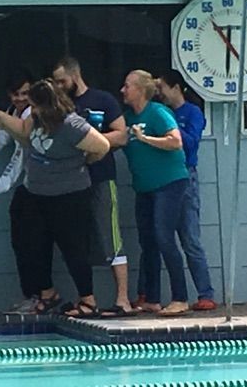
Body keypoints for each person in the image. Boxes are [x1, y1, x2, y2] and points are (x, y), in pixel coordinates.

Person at [0, 79, 111, 318]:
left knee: (74, 248)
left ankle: (88, 300)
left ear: (48, 105)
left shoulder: (71, 125)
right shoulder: (37, 119)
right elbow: (22, 133)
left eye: (35, 105)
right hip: (37, 193)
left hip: (69, 196)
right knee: (33, 245)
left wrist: (82, 163)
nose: (32, 110)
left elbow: (101, 146)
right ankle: (48, 294)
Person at [52, 57, 134, 317]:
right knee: (77, 241)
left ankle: (123, 300)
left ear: (75, 76)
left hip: (100, 178)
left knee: (111, 236)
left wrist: (91, 142)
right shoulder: (60, 108)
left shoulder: (102, 101)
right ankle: (87, 300)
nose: (59, 86)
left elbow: (121, 134)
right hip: (70, 184)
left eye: (62, 81)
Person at [0, 69, 53, 315]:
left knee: (34, 244)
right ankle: (33, 294)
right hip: (28, 187)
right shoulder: (15, 112)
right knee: (23, 243)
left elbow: (20, 158)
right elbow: (0, 142)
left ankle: (43, 294)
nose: (20, 98)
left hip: (40, 187)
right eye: (16, 94)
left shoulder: (32, 115)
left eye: (25, 94)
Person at [120, 69, 190, 317]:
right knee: (147, 242)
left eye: (127, 86)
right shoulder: (127, 118)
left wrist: (145, 138)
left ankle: (180, 297)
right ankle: (151, 298)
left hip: (169, 183)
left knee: (164, 237)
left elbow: (175, 142)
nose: (123, 90)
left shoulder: (158, 113)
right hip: (145, 187)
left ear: (140, 90)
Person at [156, 70, 216, 311]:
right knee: (160, 237)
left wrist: (171, 127)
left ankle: (206, 293)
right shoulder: (160, 112)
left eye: (161, 87)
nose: (159, 93)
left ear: (176, 87)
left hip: (186, 174)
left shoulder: (192, 112)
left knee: (190, 237)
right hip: (163, 178)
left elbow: (192, 142)